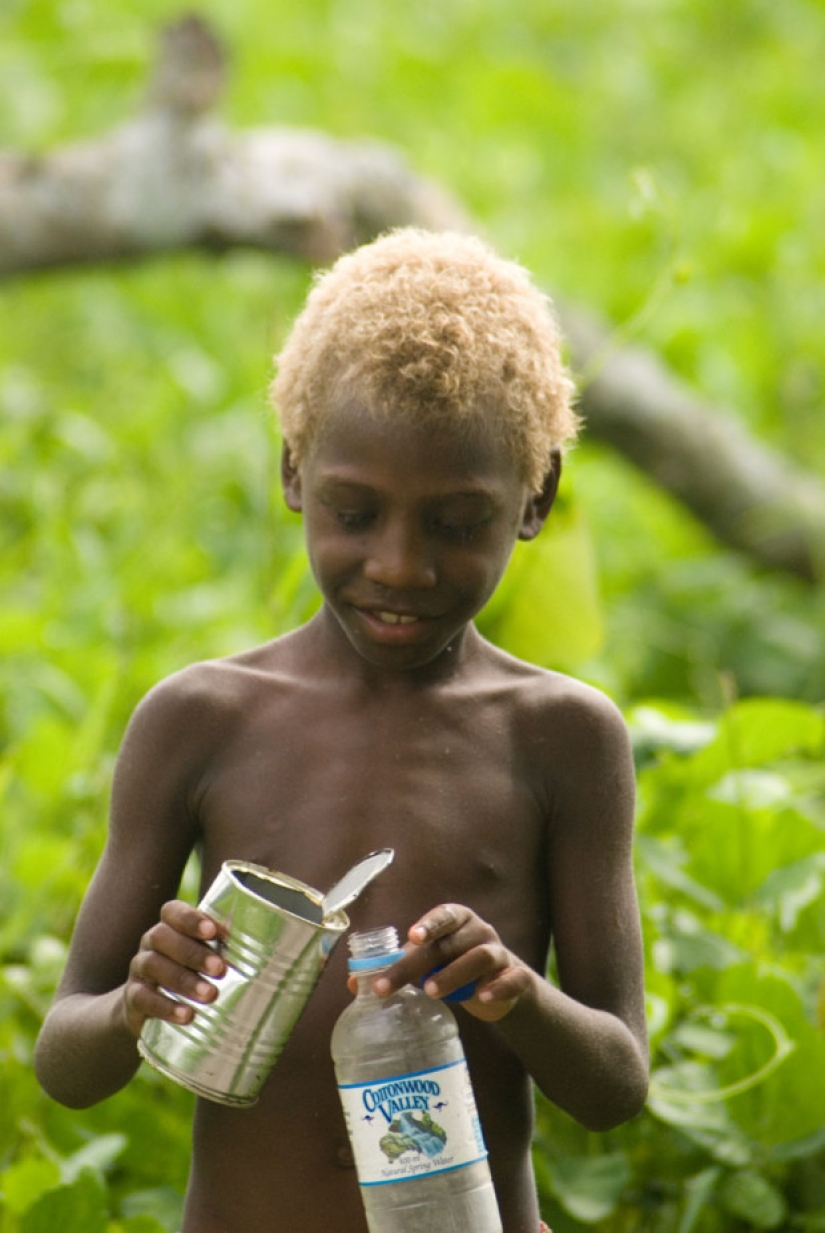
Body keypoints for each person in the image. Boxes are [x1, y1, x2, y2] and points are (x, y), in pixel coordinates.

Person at [35, 228, 649, 1233]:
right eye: (355, 514)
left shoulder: (560, 739)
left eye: (456, 523)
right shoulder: (201, 721)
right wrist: (138, 1000)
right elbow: (68, 1062)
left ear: (535, 499)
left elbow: (616, 1084)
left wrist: (515, 993)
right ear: (293, 477)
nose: (401, 566)